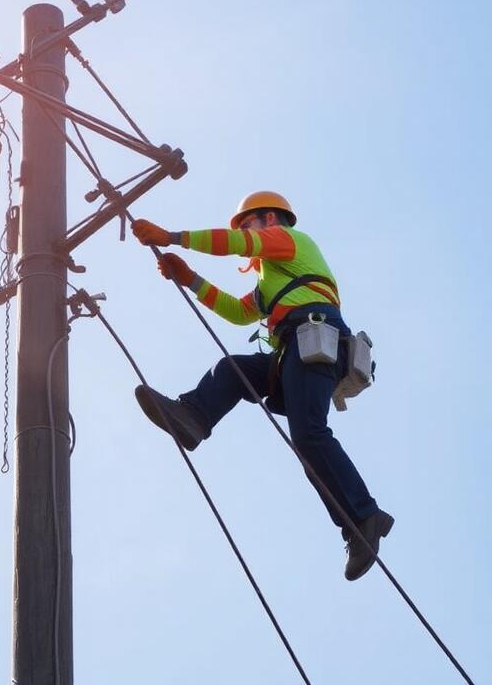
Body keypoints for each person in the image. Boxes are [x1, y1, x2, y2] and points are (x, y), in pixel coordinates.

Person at [130, 190, 393, 581]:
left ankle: (364, 517)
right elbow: (239, 312)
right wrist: (191, 280)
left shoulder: (289, 241)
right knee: (236, 370)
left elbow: (237, 244)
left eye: (247, 222)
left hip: (314, 339)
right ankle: (192, 417)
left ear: (269, 219)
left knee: (309, 436)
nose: (245, 232)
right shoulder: (272, 279)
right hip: (295, 350)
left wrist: (172, 236)